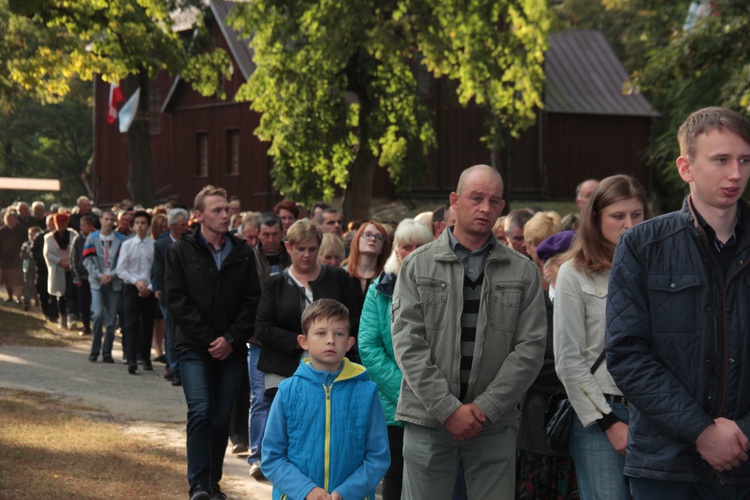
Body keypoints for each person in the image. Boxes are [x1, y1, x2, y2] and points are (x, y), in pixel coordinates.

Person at [607, 107, 750, 497]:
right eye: (721, 160)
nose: (735, 173)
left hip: (744, 461)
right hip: (663, 467)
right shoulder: (642, 245)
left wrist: (740, 434)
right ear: (685, 167)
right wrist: (701, 431)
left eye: (744, 160)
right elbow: (627, 354)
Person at [392, 164, 547, 498]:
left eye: (493, 201)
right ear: (455, 201)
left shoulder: (523, 273)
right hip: (428, 418)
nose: (485, 208)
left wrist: (485, 408)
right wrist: (448, 409)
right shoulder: (417, 265)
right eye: (476, 198)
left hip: (493, 423)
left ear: (501, 207)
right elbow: (408, 343)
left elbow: (530, 349)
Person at [553, 174, 648, 500]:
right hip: (600, 411)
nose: (628, 224)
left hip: (654, 410)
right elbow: (568, 360)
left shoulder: (655, 268)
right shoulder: (573, 273)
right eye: (618, 216)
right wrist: (608, 422)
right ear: (596, 218)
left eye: (636, 215)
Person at [166, 185, 261, 500]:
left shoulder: (242, 251)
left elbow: (252, 302)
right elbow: (177, 301)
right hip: (194, 346)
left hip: (231, 348)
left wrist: (231, 339)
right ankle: (198, 486)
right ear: (199, 215)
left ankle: (213, 482)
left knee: (221, 418)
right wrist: (210, 339)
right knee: (202, 410)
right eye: (217, 210)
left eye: (227, 209)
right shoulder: (181, 249)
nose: (225, 215)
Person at [253, 219, 356, 479]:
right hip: (283, 366)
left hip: (332, 368)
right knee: (288, 427)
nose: (307, 254)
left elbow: (353, 318)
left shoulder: (337, 278)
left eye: (312, 248)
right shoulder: (274, 284)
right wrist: (305, 343)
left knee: (324, 426)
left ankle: (322, 480)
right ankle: (289, 481)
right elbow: (263, 328)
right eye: (301, 249)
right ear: (288, 247)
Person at [261, 298, 390, 500]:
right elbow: (272, 456)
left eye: (339, 333)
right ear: (304, 341)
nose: (331, 340)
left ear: (349, 343)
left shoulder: (368, 392)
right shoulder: (287, 391)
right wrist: (306, 490)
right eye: (321, 333)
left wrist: (346, 492)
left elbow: (378, 457)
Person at [359, 218, 432, 500]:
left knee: (430, 474)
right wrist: (407, 388)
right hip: (394, 403)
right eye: (406, 246)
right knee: (395, 473)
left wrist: (428, 389)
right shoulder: (380, 288)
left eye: (419, 246)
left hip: (436, 398)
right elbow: (369, 347)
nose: (412, 252)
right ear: (396, 250)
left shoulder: (444, 286)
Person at [516, 228, 579, 499]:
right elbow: (528, 361)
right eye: (567, 266)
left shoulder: (590, 305)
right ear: (548, 269)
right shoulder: (534, 308)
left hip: (580, 422)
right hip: (538, 419)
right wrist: (576, 371)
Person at [151, 207, 189, 384]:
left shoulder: (191, 241)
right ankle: (174, 368)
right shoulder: (161, 244)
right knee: (171, 333)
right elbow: (158, 269)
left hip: (188, 296)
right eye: (182, 224)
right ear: (173, 226)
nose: (186, 227)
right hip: (168, 297)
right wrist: (158, 288)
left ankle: (184, 368)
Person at [116, 210, 156, 374]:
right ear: (133, 226)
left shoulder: (154, 245)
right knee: (131, 323)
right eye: (137, 223)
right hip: (132, 288)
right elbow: (121, 269)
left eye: (143, 223)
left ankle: (145, 357)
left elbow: (157, 270)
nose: (140, 226)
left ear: (148, 225)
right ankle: (131, 358)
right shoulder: (127, 245)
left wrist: (150, 287)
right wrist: (136, 282)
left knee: (147, 324)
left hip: (149, 289)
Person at [82, 210, 124, 363]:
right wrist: (99, 275)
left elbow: (123, 261)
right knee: (98, 314)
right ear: (100, 220)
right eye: (106, 219)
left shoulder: (121, 239)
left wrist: (111, 275)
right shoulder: (92, 238)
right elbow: (86, 259)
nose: (109, 222)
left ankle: (107, 352)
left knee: (112, 320)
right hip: (97, 281)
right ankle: (95, 349)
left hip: (114, 282)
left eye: (112, 220)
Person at [44, 212, 77, 329]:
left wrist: (70, 262)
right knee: (61, 295)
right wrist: (60, 262)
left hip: (71, 268)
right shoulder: (49, 238)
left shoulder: (73, 235)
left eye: (64, 224)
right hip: (59, 269)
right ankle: (62, 318)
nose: (62, 226)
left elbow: (76, 249)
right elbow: (48, 254)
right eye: (59, 224)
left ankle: (72, 317)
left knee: (71, 293)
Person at [70, 215, 95, 336]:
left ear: (90, 226)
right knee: (83, 303)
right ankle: (86, 326)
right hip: (82, 277)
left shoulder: (97, 238)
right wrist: (76, 275)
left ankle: (97, 325)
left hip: (94, 277)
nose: (81, 227)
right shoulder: (78, 240)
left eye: (84, 225)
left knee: (95, 302)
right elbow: (74, 258)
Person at [0, 211, 26, 303]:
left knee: (18, 280)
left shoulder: (21, 230)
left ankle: (19, 297)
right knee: (7, 279)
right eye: (8, 219)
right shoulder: (2, 231)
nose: (10, 221)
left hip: (17, 258)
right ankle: (10, 296)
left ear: (15, 220)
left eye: (12, 219)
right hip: (5, 259)